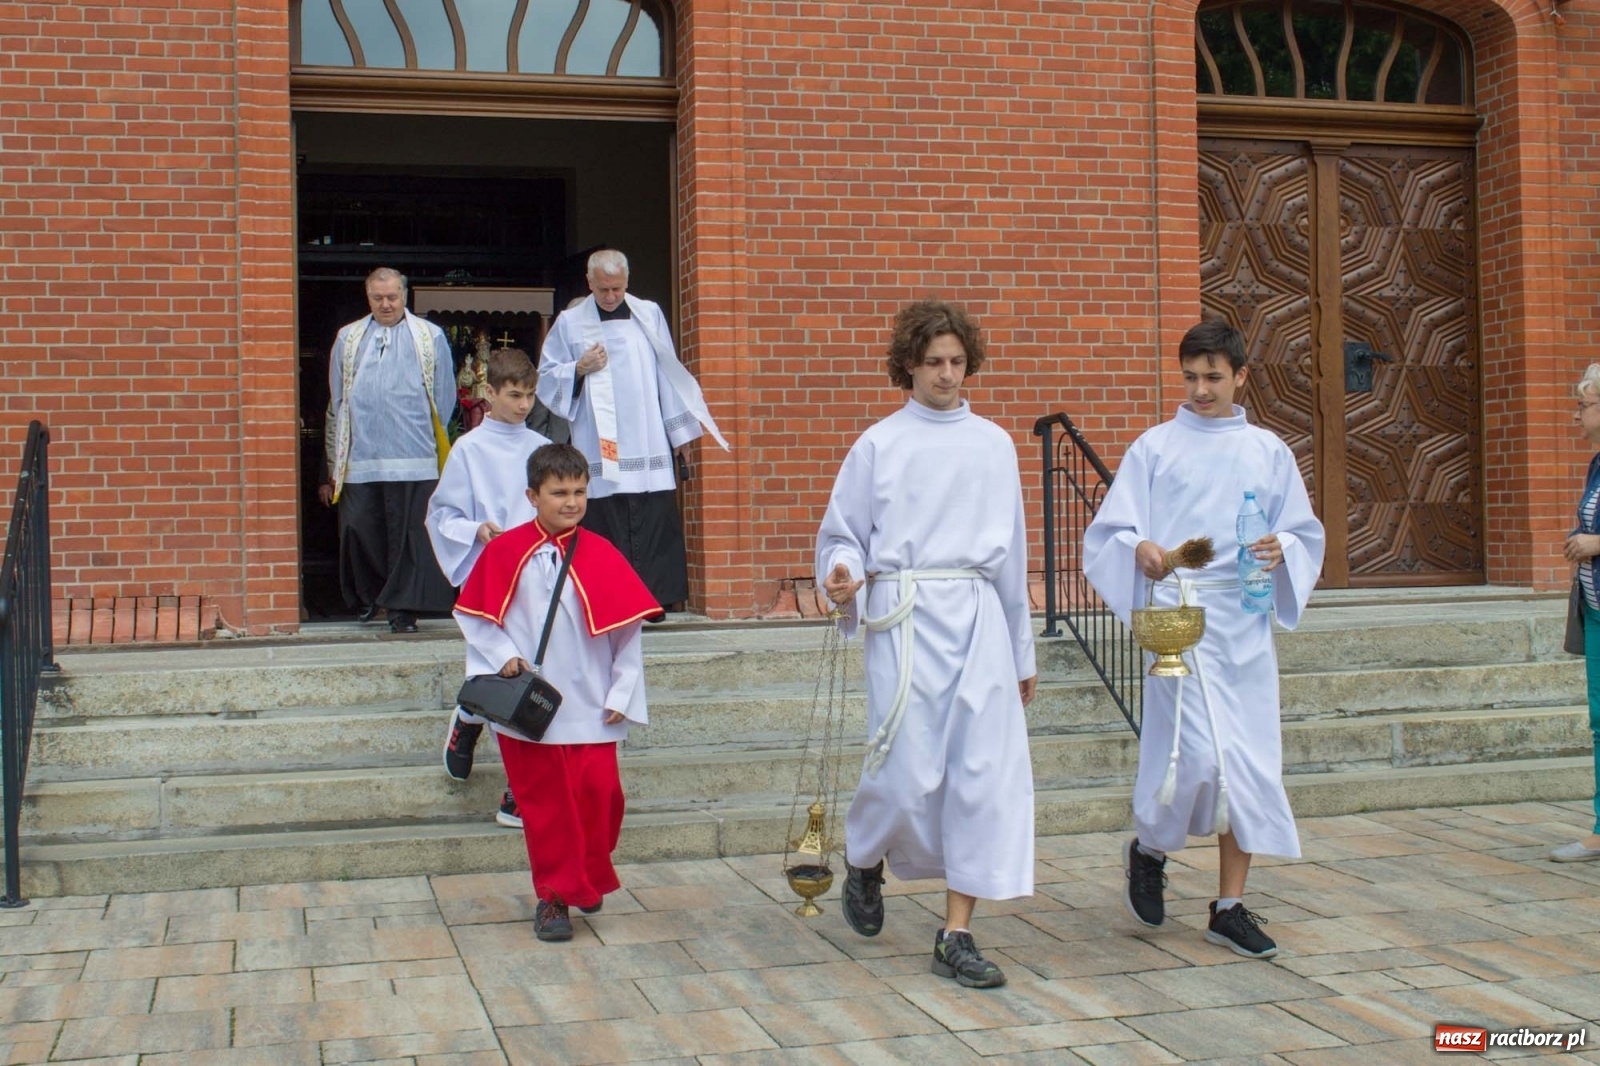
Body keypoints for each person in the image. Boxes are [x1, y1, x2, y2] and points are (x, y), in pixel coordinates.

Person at [1083, 319, 1325, 959]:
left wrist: (1283, 547)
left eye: (1213, 377)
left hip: (1241, 624)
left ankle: (1229, 905)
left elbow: (1302, 530)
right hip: (1181, 620)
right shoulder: (1156, 448)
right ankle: (1151, 847)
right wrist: (1143, 549)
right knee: (1191, 759)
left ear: (1241, 376)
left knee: (1244, 764)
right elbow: (1113, 531)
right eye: (1190, 377)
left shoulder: (1267, 450)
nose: (1199, 389)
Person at [817, 299, 1037, 990]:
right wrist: (843, 574)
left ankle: (957, 931)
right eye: (934, 361)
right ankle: (864, 854)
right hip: (906, 614)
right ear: (908, 364)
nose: (947, 374)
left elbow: (1012, 556)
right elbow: (842, 534)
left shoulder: (995, 444)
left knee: (980, 775)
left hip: (977, 615)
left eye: (957, 362)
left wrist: (1022, 650)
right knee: (907, 771)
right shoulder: (879, 444)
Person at [453, 443, 662, 941]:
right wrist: (502, 653)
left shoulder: (602, 552)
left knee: (602, 797)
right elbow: (473, 615)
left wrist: (623, 691)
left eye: (580, 492)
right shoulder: (505, 552)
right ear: (532, 495)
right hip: (532, 706)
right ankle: (553, 898)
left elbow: (627, 632)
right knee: (548, 808)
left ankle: (583, 876)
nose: (571, 502)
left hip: (591, 699)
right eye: (559, 492)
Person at [537, 249, 728, 610]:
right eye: (604, 289)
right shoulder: (570, 322)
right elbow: (546, 378)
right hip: (599, 441)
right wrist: (578, 367)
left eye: (618, 289)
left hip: (646, 436)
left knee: (652, 515)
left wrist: (680, 434)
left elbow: (667, 373)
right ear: (589, 282)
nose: (611, 297)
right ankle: (611, 601)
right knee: (605, 519)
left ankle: (655, 600)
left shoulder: (648, 313)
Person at [425, 348, 551, 830]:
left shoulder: (540, 447)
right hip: (490, 575)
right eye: (514, 395)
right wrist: (477, 529)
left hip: (537, 576)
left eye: (530, 395)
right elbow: (441, 514)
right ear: (490, 393)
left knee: (531, 672)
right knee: (500, 671)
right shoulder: (469, 450)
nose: (523, 405)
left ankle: (472, 721)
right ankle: (480, 734)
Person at [320, 267, 457, 633]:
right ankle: (372, 598)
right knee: (360, 528)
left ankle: (402, 610)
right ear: (367, 298)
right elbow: (338, 396)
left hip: (413, 455)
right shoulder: (348, 338)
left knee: (408, 537)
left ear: (405, 295)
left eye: (392, 297)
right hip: (361, 456)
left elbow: (443, 398)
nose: (385, 304)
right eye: (377, 298)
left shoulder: (430, 337)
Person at [1553, 363, 1600, 862]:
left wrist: (1594, 542)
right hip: (1595, 608)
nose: (1577, 414)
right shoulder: (1596, 463)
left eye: (1584, 404)